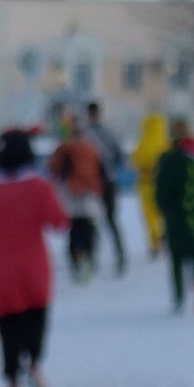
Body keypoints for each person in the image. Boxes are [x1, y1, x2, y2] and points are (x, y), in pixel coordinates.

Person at [0, 127, 67, 387]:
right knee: (36, 319)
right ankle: (33, 363)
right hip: (34, 267)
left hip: (1, 269)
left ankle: (12, 382)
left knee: (7, 325)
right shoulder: (38, 187)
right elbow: (58, 221)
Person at [153, 118, 194, 315]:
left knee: (176, 260)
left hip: (174, 221)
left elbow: (160, 194)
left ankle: (178, 298)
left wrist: (164, 210)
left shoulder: (166, 160)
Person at [47, 112, 104, 280]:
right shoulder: (91, 147)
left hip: (72, 194)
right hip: (89, 193)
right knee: (88, 227)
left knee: (75, 230)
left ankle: (78, 259)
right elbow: (100, 170)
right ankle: (89, 257)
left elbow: (54, 169)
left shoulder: (64, 149)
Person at [85, 99, 127, 273]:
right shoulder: (106, 133)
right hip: (102, 183)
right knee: (100, 221)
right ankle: (108, 257)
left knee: (102, 221)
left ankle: (107, 258)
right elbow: (120, 156)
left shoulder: (86, 135)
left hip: (97, 183)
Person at [130, 110, 168, 258]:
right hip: (162, 185)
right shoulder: (165, 142)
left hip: (145, 184)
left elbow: (135, 160)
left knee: (149, 216)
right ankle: (164, 237)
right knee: (162, 214)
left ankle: (155, 242)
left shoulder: (143, 142)